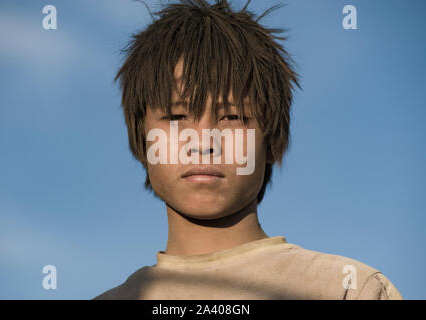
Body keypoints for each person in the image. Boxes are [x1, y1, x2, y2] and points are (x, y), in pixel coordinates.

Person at [94, 0, 403, 300]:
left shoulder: (346, 289)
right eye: (176, 117)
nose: (203, 143)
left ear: (270, 141)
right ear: (142, 140)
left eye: (232, 117)